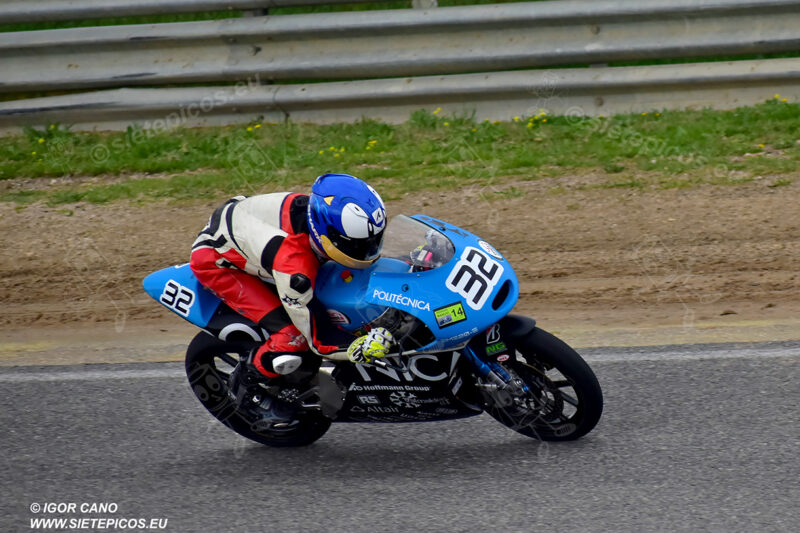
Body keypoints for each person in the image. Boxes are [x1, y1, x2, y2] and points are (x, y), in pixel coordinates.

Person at [190, 173, 394, 392]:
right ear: (327, 235)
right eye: (358, 246)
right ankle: (250, 376)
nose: (369, 251)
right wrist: (357, 346)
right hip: (216, 263)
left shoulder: (317, 212)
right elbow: (319, 340)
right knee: (292, 337)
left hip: (244, 224)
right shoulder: (295, 269)